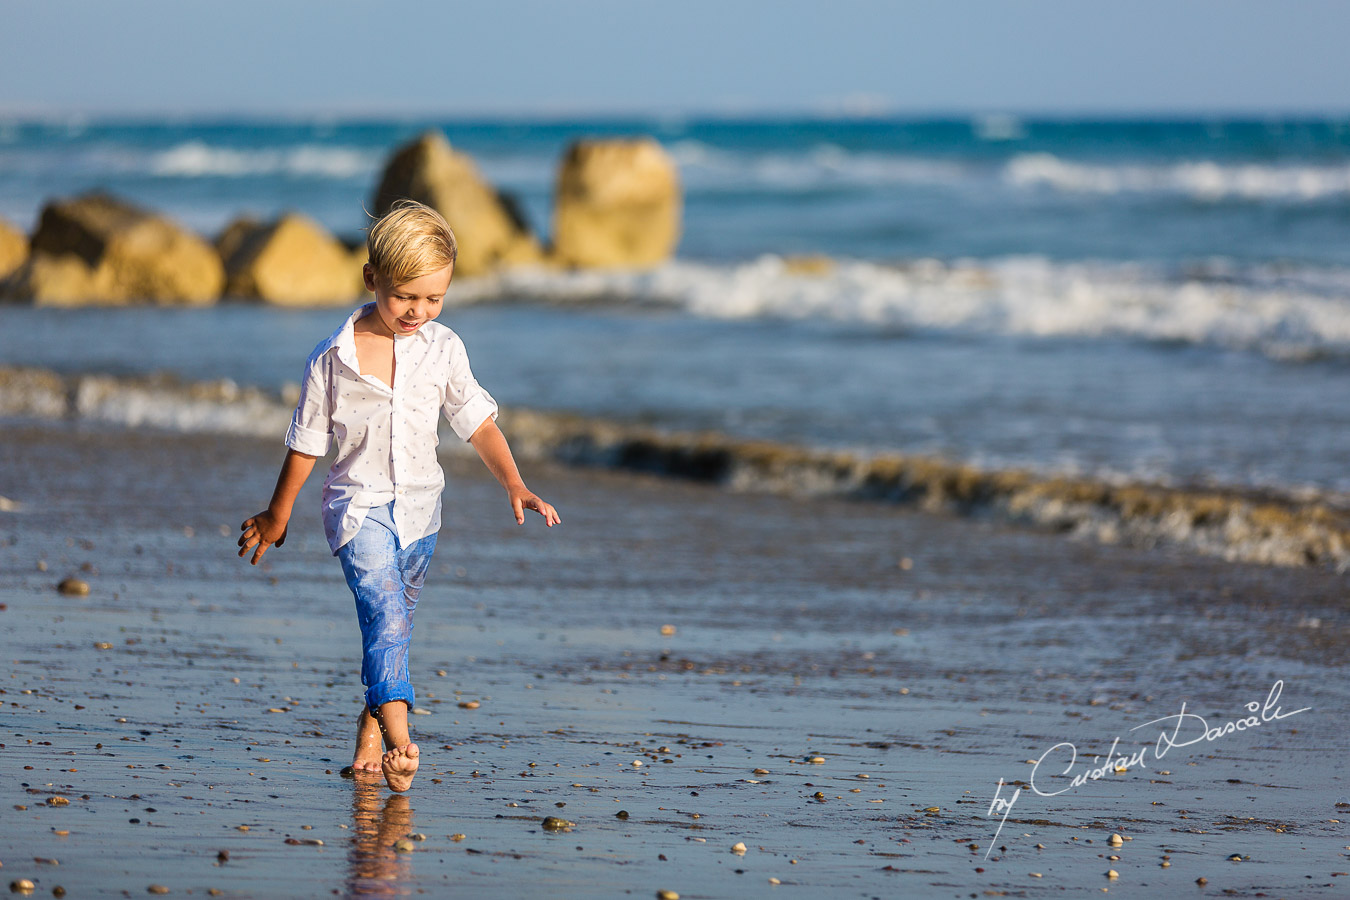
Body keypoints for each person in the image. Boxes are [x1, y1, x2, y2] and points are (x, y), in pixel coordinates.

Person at [237, 200, 560, 792]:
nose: (419, 311)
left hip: (421, 512)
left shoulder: (443, 349)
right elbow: (306, 444)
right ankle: (402, 742)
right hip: (358, 510)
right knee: (384, 614)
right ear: (372, 279)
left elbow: (478, 423)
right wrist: (277, 514)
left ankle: (368, 729)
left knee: (393, 628)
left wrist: (515, 483)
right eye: (405, 296)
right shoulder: (331, 359)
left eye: (434, 298)